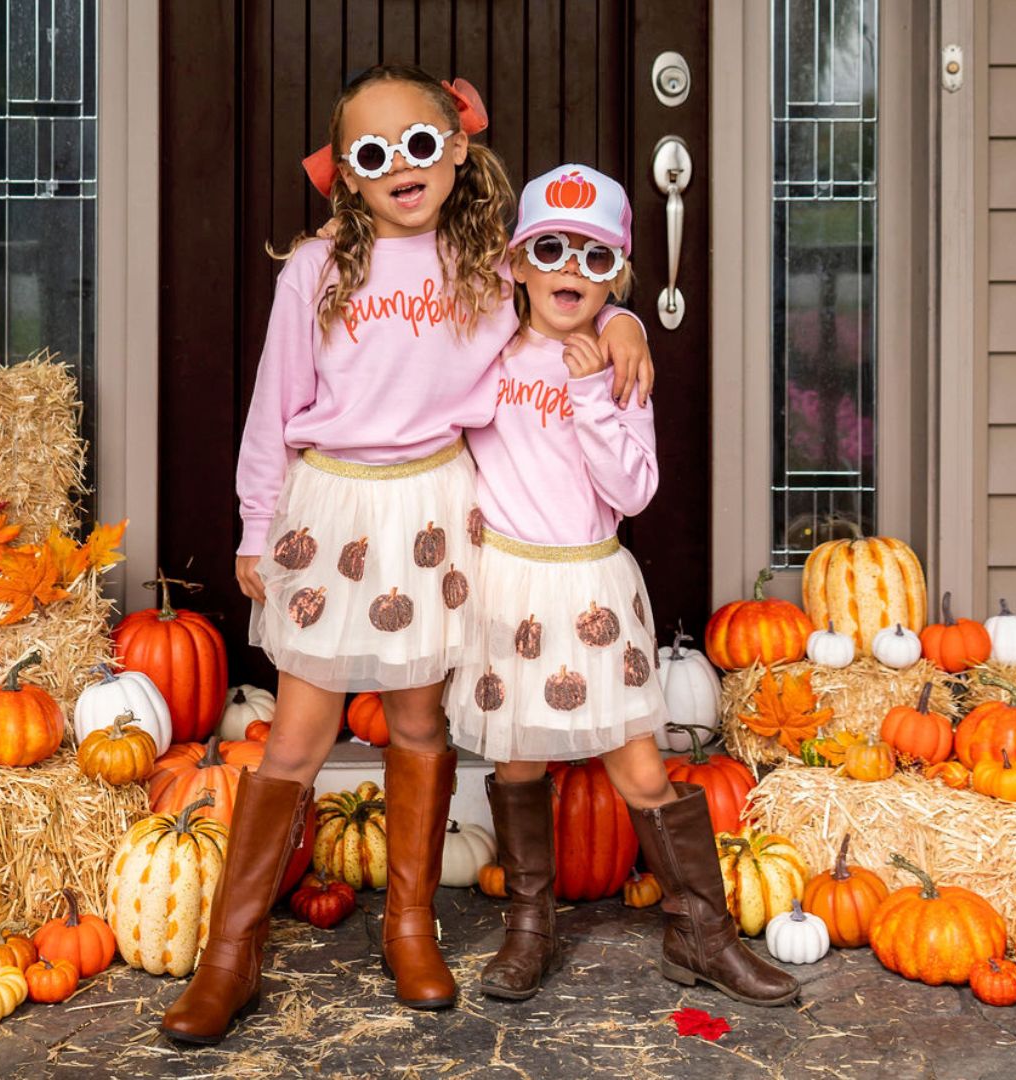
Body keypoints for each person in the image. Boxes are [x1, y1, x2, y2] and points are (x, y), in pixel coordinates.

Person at [160, 66, 653, 1045]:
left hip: (432, 503)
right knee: (300, 732)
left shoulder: (482, 264)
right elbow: (272, 410)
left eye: (420, 144)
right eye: (374, 155)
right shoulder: (319, 266)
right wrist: (257, 525)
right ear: (347, 174)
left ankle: (410, 925)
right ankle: (231, 953)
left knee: (419, 721)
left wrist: (624, 318)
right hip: (333, 506)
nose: (402, 168)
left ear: (455, 148)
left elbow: (569, 308)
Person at [445, 164, 801, 1007]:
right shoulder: (488, 349)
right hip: (509, 589)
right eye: (552, 249)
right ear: (517, 262)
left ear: (618, 273)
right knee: (518, 758)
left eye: (596, 258)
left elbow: (634, 491)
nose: (572, 269)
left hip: (590, 588)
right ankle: (528, 927)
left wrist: (593, 389)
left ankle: (700, 933)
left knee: (640, 768)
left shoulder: (615, 363)